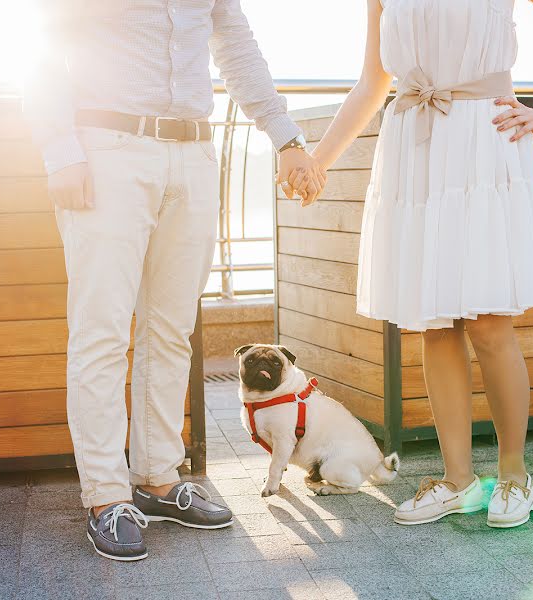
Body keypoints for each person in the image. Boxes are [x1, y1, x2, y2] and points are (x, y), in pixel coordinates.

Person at [24, 0, 326, 561]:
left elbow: (234, 42)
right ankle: (107, 497)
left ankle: (159, 478)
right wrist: (59, 148)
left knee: (171, 331)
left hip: (192, 152)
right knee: (103, 333)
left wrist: (285, 139)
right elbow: (41, 38)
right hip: (107, 146)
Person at [300, 0, 533, 528]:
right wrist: (317, 163)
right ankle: (458, 480)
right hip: (414, 150)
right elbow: (373, 82)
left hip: (483, 143)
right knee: (433, 325)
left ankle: (513, 475)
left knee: (488, 323)